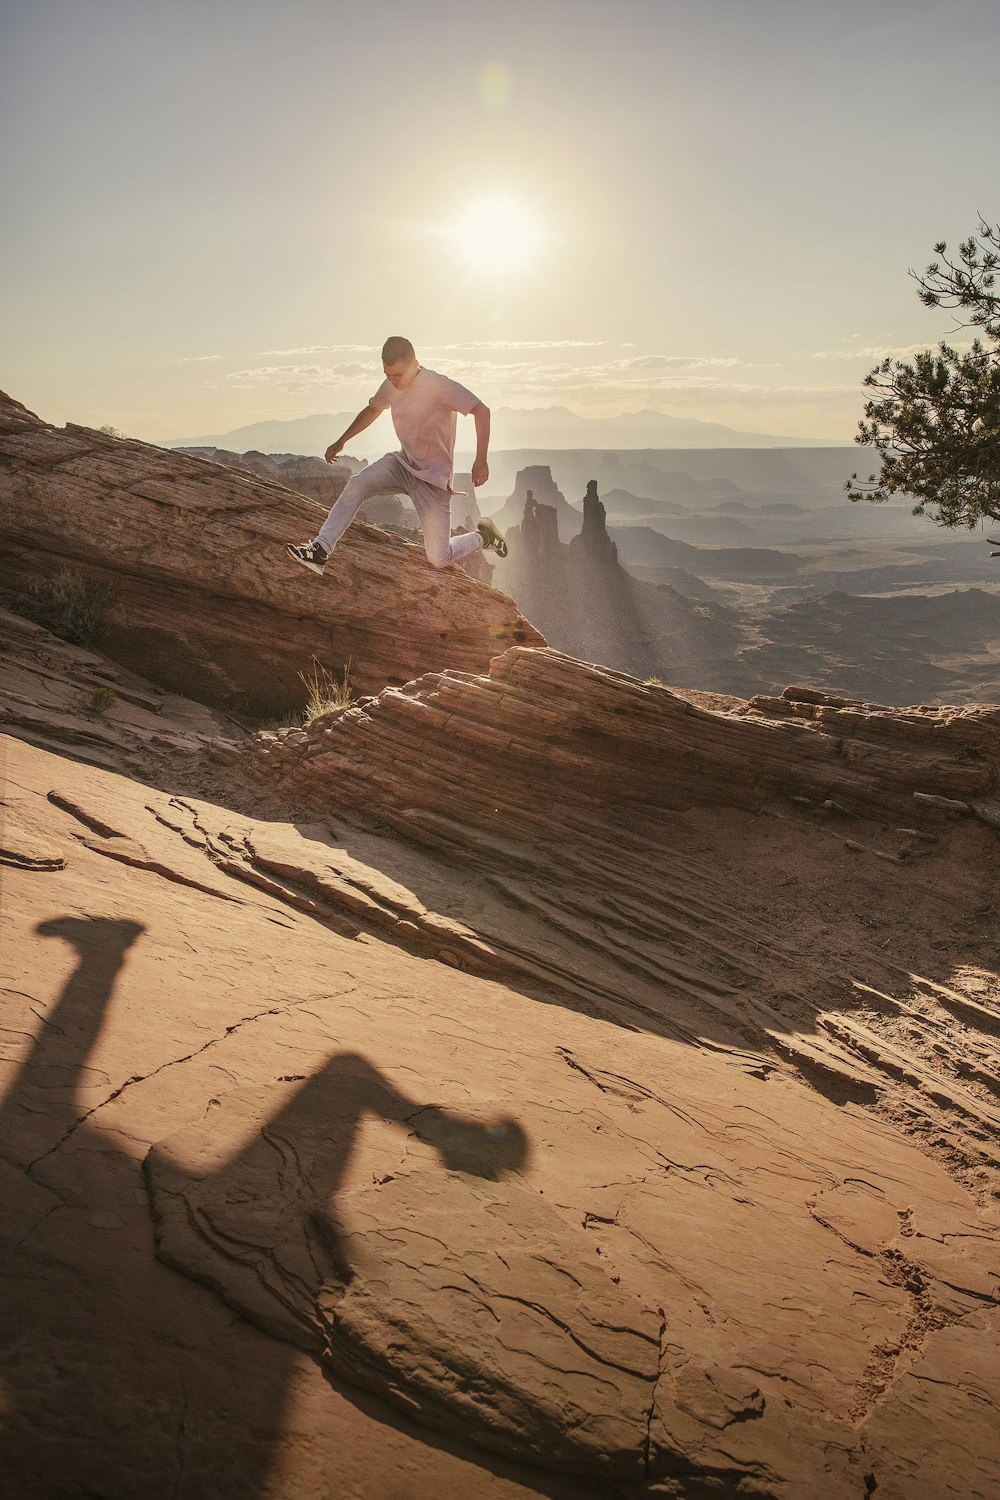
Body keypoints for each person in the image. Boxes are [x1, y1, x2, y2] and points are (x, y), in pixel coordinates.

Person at [286, 336, 508, 575]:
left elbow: (481, 411)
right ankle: (320, 550)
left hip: (432, 481)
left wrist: (481, 459)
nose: (392, 381)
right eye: (387, 374)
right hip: (402, 464)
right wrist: (342, 440)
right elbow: (373, 409)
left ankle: (483, 537)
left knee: (438, 557)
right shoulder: (390, 384)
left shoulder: (438, 385)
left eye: (397, 375)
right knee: (357, 484)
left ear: (414, 364)